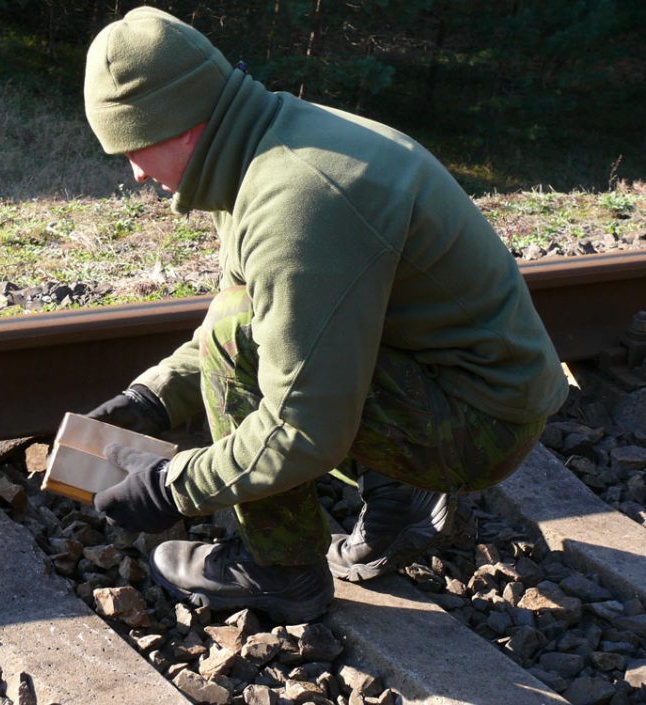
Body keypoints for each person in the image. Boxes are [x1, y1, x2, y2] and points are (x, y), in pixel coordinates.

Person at [80, 6, 568, 624]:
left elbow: (303, 426)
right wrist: (154, 397)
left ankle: (279, 571)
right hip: (458, 383)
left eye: (133, 147)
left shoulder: (299, 200)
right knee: (244, 328)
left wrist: (173, 487)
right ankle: (402, 494)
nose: (135, 172)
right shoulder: (264, 144)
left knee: (240, 344)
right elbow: (263, 306)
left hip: (481, 429)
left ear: (180, 125)